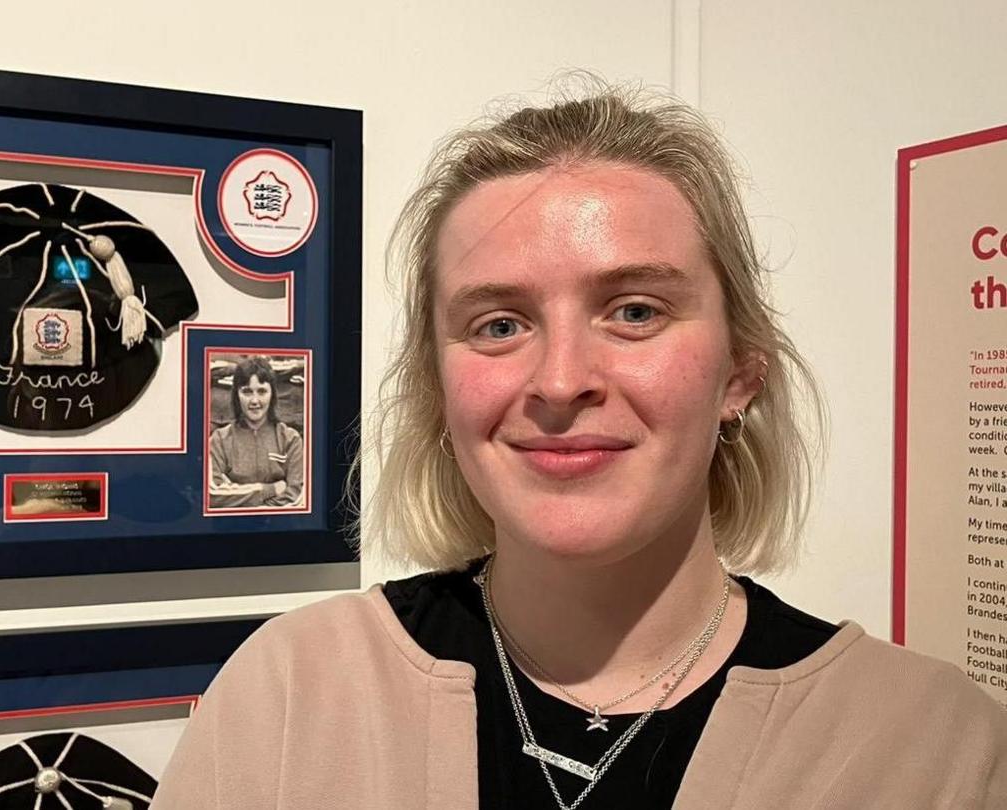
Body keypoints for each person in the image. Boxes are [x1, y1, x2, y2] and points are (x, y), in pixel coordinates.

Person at [153, 85, 1007, 808]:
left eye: (635, 310)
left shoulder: (936, 751)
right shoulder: (292, 694)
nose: (560, 381)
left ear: (741, 374)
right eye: (498, 323)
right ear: (439, 391)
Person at [206, 355, 304, 509]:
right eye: (247, 392)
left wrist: (240, 499)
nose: (254, 400)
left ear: (272, 395)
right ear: (236, 395)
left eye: (262, 391)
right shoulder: (219, 439)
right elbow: (211, 495)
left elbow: (295, 496)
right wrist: (270, 489)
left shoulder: (290, 439)